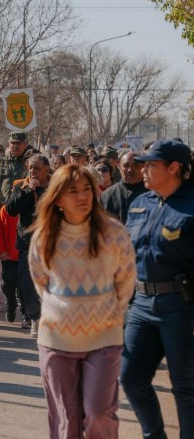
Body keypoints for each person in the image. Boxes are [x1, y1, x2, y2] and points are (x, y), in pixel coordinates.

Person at [29, 165, 136, 439]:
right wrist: (64, 309)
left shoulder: (113, 232)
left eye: (87, 189)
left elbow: (126, 278)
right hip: (56, 340)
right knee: (66, 420)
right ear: (58, 198)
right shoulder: (44, 236)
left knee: (99, 413)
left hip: (104, 338)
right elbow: (40, 280)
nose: (83, 196)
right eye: (73, 191)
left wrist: (109, 311)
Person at [121, 140, 194, 439]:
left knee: (186, 387)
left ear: (174, 168)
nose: (143, 170)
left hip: (182, 307)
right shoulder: (141, 203)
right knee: (131, 378)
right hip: (141, 304)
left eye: (151, 164)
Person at [6, 153, 52, 336]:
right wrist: (27, 191)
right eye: (30, 168)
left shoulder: (57, 186)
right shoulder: (21, 185)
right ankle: (35, 318)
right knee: (26, 281)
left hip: (51, 244)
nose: (33, 171)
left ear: (47, 169)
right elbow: (10, 210)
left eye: (37, 168)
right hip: (28, 243)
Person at [100, 150, 147, 223]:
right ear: (119, 167)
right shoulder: (107, 196)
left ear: (143, 167)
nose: (130, 170)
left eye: (135, 165)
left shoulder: (154, 194)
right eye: (126, 166)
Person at [0, 194, 22, 323]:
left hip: (24, 255)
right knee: (8, 284)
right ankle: (11, 304)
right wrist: (2, 251)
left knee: (24, 286)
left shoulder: (29, 208)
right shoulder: (5, 210)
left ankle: (26, 315)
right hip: (8, 257)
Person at [0, 132, 29, 199]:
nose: (15, 146)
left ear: (25, 145)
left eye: (18, 143)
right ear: (9, 145)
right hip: (4, 202)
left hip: (23, 201)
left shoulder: (29, 161)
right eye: (13, 143)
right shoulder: (1, 161)